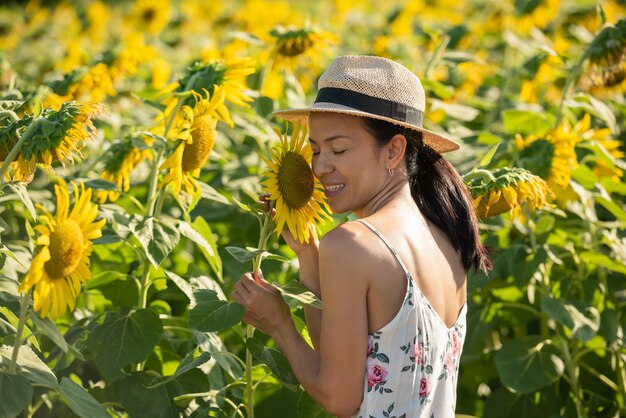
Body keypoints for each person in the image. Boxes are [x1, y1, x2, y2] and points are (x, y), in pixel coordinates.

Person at [231, 55, 492, 418]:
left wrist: (278, 323)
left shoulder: (354, 244)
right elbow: (343, 360)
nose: (319, 168)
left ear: (394, 150)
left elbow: (340, 397)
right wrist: (310, 256)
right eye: (317, 150)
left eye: (338, 150)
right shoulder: (443, 236)